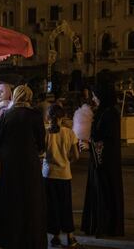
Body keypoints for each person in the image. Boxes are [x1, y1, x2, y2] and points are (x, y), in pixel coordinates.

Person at [0, 85, 47, 248]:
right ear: (29, 97)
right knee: (30, 199)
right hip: (29, 163)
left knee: (10, 198)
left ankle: (9, 237)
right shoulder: (35, 116)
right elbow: (41, 143)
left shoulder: (7, 115)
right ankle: (30, 237)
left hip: (10, 163)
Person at [81, 74, 124, 237]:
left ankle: (105, 226)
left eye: (94, 95)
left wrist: (90, 145)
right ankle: (97, 225)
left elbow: (108, 141)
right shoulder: (103, 112)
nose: (93, 98)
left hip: (106, 164)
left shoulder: (110, 114)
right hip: (98, 162)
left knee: (104, 193)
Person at [43, 104, 80, 247]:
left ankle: (55, 236)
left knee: (52, 206)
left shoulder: (46, 133)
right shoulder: (69, 133)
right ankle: (70, 236)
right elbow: (76, 155)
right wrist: (67, 161)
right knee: (65, 206)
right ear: (62, 117)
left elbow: (41, 152)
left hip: (48, 174)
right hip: (64, 174)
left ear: (48, 117)